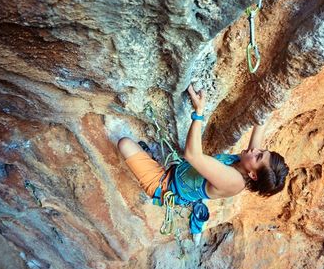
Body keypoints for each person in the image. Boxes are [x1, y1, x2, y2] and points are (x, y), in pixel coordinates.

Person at [117, 84, 289, 235]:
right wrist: (273, 92)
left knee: (125, 143)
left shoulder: (234, 181)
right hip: (177, 170)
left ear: (253, 175)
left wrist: (198, 113)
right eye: (262, 151)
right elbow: (261, 124)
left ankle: (149, 159)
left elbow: (192, 155)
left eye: (258, 155)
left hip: (163, 185)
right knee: (138, 149)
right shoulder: (248, 161)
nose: (255, 149)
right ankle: (149, 157)